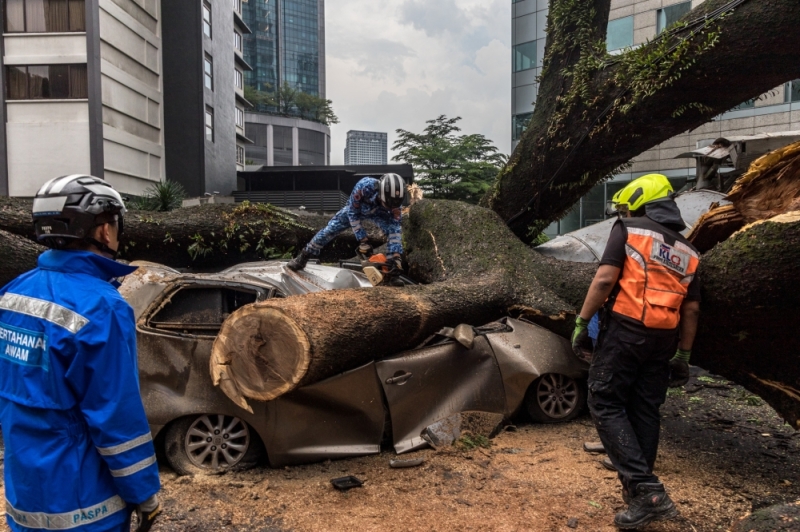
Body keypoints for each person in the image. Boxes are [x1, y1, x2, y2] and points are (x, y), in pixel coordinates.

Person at [0, 175, 162, 531]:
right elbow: (116, 415)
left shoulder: (13, 294)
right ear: (104, 231)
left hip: (24, 495)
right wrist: (145, 492)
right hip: (85, 504)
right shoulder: (103, 308)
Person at [571, 174, 700, 530]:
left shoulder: (630, 228)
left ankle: (648, 493)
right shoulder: (689, 250)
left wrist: (582, 322)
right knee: (644, 407)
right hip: (665, 339)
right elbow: (691, 310)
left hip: (626, 330)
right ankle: (640, 494)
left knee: (604, 400)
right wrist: (684, 355)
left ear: (640, 202)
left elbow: (603, 279)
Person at [287, 173, 406, 271]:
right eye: (388, 204)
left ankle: (391, 269)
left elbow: (395, 227)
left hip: (380, 213)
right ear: (380, 192)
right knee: (330, 230)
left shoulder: (394, 204)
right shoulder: (364, 186)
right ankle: (304, 257)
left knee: (394, 231)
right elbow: (353, 214)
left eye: (393, 205)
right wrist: (363, 240)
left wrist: (396, 256)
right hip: (356, 209)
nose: (391, 207)